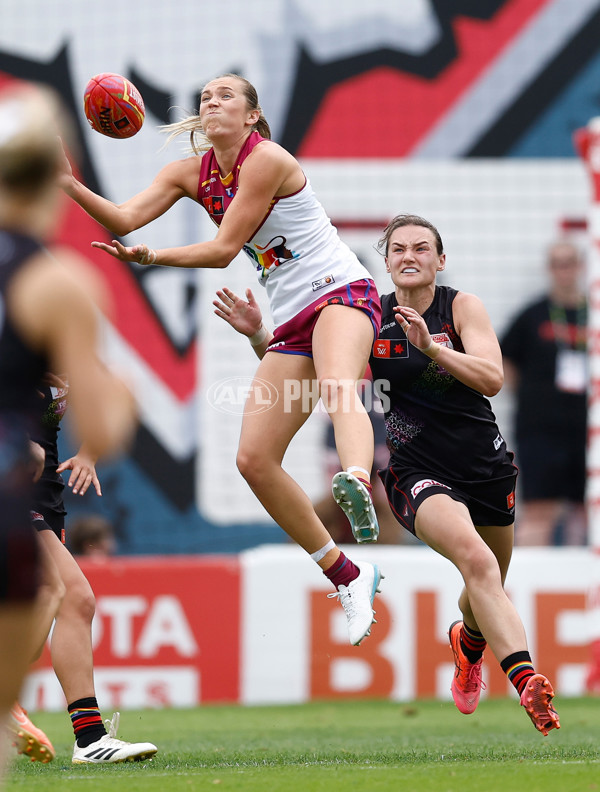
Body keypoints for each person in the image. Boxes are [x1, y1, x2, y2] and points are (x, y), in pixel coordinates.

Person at [60, 73, 383, 646]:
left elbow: (222, 250)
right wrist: (67, 182)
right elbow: (124, 219)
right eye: (206, 96)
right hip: (290, 320)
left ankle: (355, 479)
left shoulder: (266, 160)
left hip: (341, 292)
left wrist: (152, 257)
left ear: (252, 116)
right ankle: (347, 574)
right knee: (254, 460)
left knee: (339, 386)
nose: (212, 101)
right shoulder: (191, 172)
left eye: (227, 95)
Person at [216, 214, 561, 736]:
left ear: (439, 261)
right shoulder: (367, 316)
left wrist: (431, 348)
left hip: (487, 468)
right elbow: (311, 380)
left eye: (422, 248)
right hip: (417, 473)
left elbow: (491, 378)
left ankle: (468, 643)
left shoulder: (461, 307)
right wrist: (260, 335)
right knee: (477, 561)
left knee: (486, 582)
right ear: (385, 262)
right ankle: (528, 681)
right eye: (398, 249)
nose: (409, 256)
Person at [0, 83, 139, 782]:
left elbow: (70, 396)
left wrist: (76, 443)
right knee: (65, 594)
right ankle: (62, 727)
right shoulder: (58, 287)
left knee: (65, 596)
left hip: (36, 471)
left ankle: (79, 732)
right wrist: (120, 404)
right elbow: (108, 413)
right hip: (14, 476)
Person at [8, 372, 157, 766]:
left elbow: (122, 393)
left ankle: (89, 738)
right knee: (64, 591)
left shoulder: (61, 339)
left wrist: (90, 451)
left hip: (44, 492)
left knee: (64, 604)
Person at [501, 240, 587, 546]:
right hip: (540, 430)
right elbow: (504, 357)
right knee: (540, 509)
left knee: (584, 509)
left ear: (580, 266)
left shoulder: (593, 314)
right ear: (549, 270)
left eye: (569, 263)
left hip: (586, 430)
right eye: (557, 264)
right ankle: (527, 581)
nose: (564, 271)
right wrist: (527, 395)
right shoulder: (533, 315)